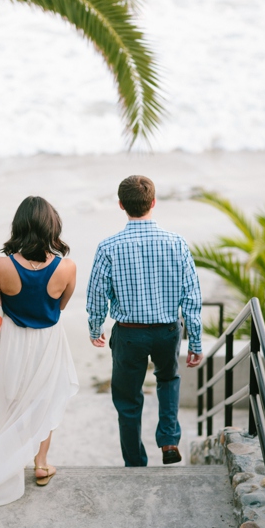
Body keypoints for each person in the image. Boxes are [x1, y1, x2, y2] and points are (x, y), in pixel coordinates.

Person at [0, 196, 79, 508]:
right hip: (49, 341)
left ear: (19, 226)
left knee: (11, 398)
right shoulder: (67, 267)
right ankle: (41, 464)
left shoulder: (1, 266)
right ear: (52, 227)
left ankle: (7, 460)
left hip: (13, 340)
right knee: (46, 399)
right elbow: (60, 307)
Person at [87, 175, 203, 468]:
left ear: (121, 205)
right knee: (168, 379)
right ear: (153, 202)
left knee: (127, 400)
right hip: (167, 331)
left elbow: (98, 294)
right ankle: (168, 441)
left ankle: (135, 462)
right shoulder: (176, 243)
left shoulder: (108, 247)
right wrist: (196, 342)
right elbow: (191, 297)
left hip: (128, 334)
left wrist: (95, 327)